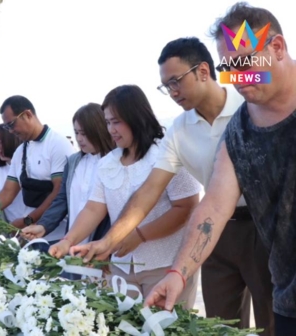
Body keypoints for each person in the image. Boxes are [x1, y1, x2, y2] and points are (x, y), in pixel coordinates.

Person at [75, 36, 274, 334]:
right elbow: (147, 193)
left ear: (203, 71)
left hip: (265, 225)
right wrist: (109, 240)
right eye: (166, 86)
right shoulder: (179, 131)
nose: (172, 92)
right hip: (215, 231)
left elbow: (186, 203)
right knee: (219, 325)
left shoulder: (252, 107)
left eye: (176, 81)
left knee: (273, 321)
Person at [144, 3, 296, 333]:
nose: (238, 78)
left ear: (278, 48)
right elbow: (213, 205)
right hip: (289, 299)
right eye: (229, 66)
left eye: (244, 62)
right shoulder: (239, 130)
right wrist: (177, 273)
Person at [54, 85, 201, 306]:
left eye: (116, 122)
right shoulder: (107, 163)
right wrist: (68, 240)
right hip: (121, 267)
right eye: (107, 122)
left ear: (137, 117)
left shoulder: (167, 152)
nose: (111, 129)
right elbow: (94, 208)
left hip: (167, 265)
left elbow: (186, 207)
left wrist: (140, 236)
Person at [0, 95, 75, 245]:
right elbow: (7, 193)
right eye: (7, 127)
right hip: (29, 235)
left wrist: (28, 220)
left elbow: (59, 192)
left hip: (55, 235)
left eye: (11, 124)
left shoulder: (58, 145)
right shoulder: (20, 151)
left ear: (27, 115)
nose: (10, 131)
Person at [22, 103, 115, 253]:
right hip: (70, 245)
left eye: (84, 133)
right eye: (76, 132)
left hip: (101, 249)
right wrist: (43, 225)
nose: (79, 139)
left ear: (99, 130)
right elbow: (62, 199)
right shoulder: (73, 162)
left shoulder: (115, 162)